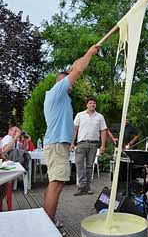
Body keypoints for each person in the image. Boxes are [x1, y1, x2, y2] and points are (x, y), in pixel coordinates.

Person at [43, 45, 99, 223]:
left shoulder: (60, 97)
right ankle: (48, 223)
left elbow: (75, 68)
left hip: (58, 144)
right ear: (61, 81)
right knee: (57, 183)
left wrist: (77, 62)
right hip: (57, 144)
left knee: (56, 183)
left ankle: (48, 220)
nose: (72, 82)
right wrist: (90, 52)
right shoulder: (57, 91)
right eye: (68, 79)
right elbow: (78, 70)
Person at [72, 96, 107, 196]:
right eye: (90, 103)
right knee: (79, 164)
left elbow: (103, 131)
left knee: (89, 166)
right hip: (81, 143)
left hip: (93, 144)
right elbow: (75, 129)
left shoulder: (100, 117)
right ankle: (81, 186)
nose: (92, 105)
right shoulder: (80, 115)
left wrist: (103, 145)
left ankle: (87, 187)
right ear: (87, 104)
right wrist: (71, 143)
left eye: (94, 103)